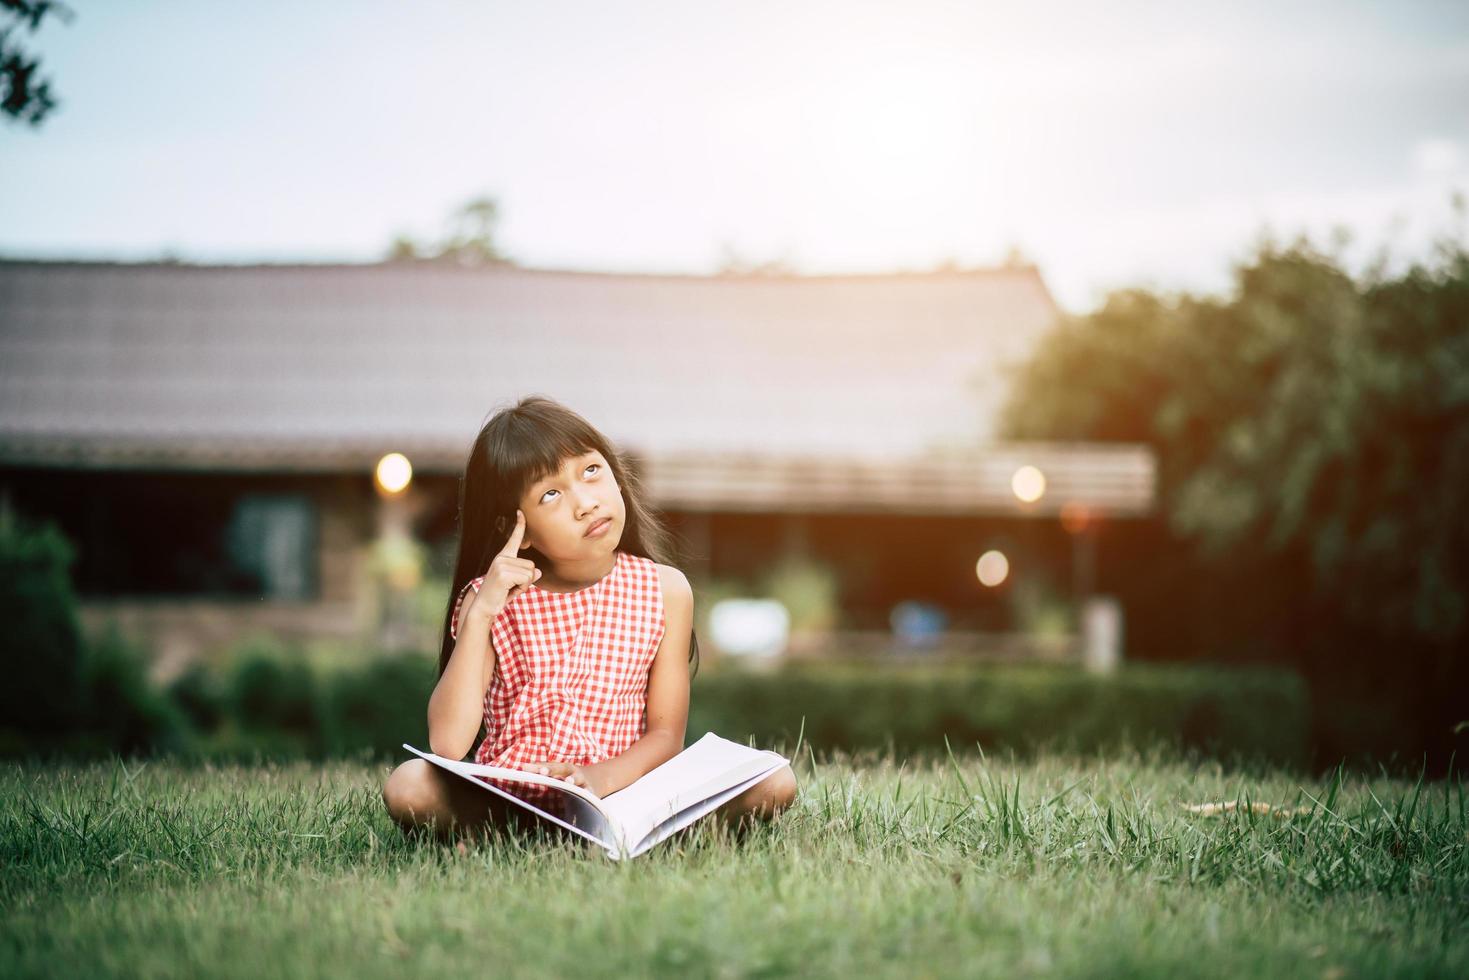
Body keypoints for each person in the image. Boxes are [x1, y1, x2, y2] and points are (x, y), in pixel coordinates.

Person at [382, 395, 798, 848]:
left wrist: (597, 780)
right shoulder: (490, 599)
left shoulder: (666, 589)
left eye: (591, 471)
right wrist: (482, 612)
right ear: (513, 529)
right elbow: (447, 744)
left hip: (621, 792)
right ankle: (533, 835)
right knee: (409, 785)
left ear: (617, 476)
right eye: (551, 494)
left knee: (774, 778)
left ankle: (618, 834)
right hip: (511, 796)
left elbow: (664, 735)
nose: (585, 503)